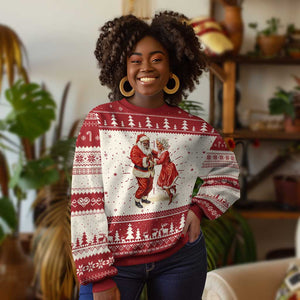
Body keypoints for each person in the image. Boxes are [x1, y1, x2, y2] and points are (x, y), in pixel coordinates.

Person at [71, 11, 240, 300]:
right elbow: (85, 201)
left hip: (180, 257)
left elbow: (227, 173)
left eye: (156, 58)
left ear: (173, 64)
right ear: (122, 67)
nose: (145, 67)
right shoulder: (101, 121)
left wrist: (198, 210)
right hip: (114, 261)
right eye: (135, 60)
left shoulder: (193, 128)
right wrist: (98, 278)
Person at [130, 134, 155, 208]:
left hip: (150, 171)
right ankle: (137, 201)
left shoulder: (148, 149)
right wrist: (145, 159)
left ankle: (144, 198)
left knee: (149, 187)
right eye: (145, 143)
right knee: (143, 187)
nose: (147, 145)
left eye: (148, 143)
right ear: (140, 143)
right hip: (141, 172)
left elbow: (155, 154)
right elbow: (134, 159)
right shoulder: (136, 148)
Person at [154, 137, 179, 204]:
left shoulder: (165, 152)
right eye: (156, 144)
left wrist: (154, 162)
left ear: (162, 144)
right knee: (162, 184)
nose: (157, 146)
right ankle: (172, 187)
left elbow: (161, 161)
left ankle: (170, 195)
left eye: (158, 144)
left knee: (165, 184)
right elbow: (160, 159)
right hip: (165, 169)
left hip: (168, 169)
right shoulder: (162, 152)